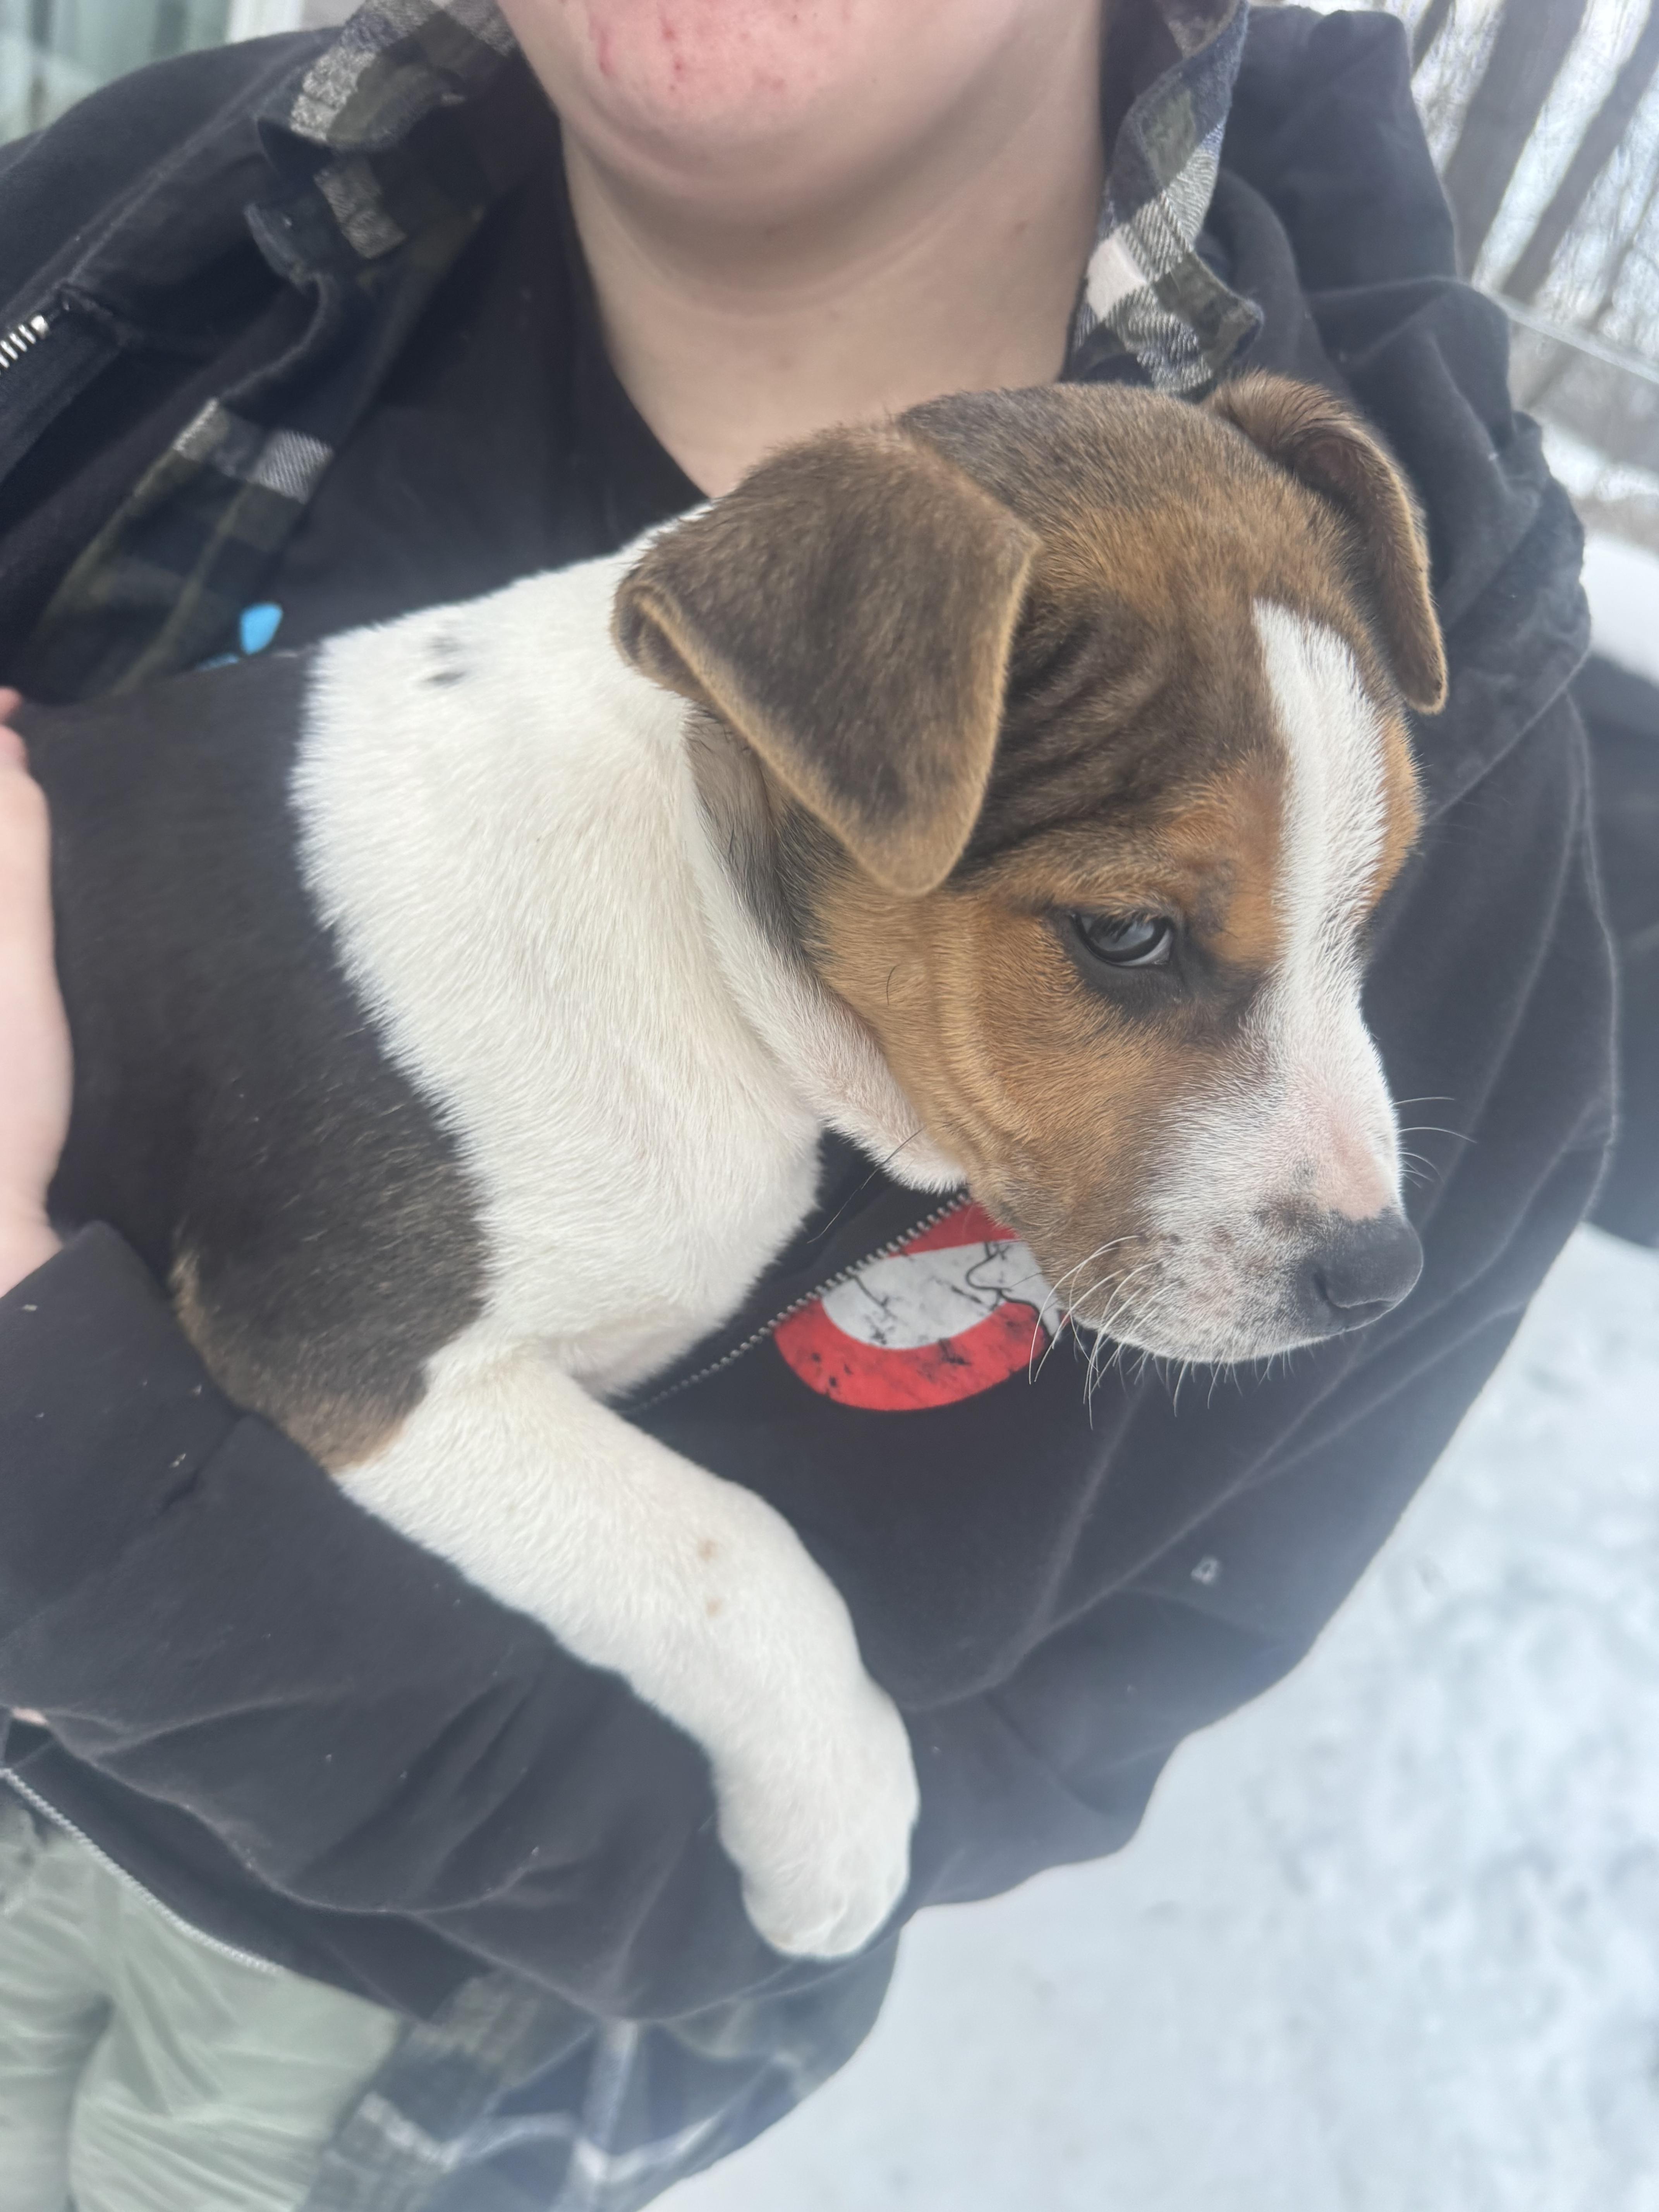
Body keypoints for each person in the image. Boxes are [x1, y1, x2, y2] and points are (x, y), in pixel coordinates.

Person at [0, 0, 1624, 2205]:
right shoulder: (150, 239)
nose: (1344, 1161)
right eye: (1140, 942)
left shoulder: (1337, 608)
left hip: (407, 2011)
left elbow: (852, 1851)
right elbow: (363, 1350)